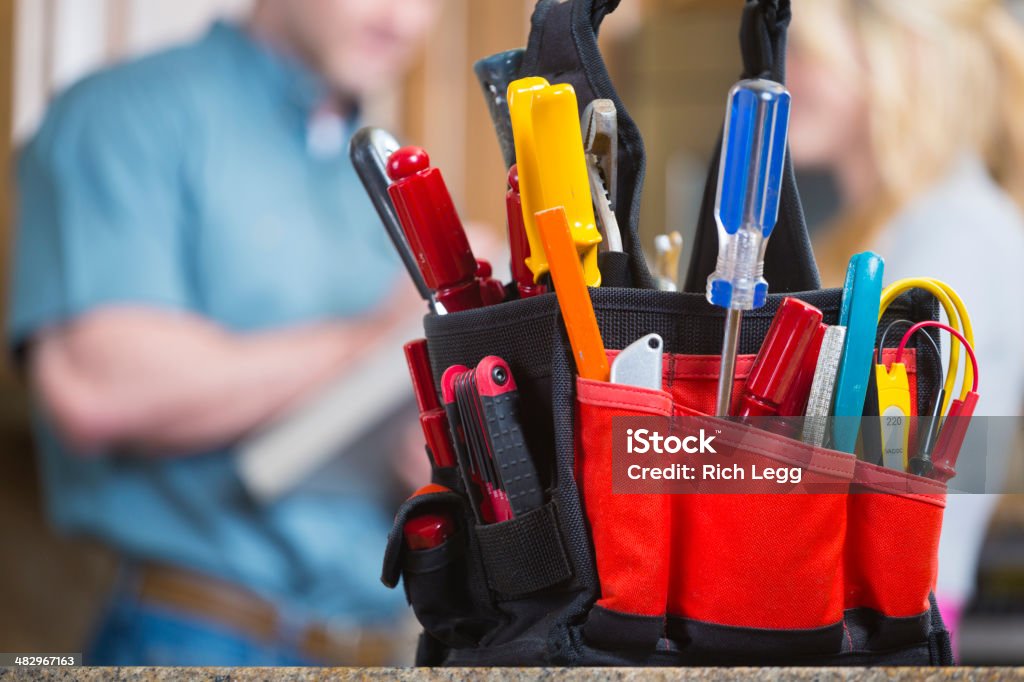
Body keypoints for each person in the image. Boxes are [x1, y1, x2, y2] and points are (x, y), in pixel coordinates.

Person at [8, 0, 443, 666]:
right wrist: (379, 336)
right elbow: (99, 386)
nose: (404, 20)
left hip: (380, 643)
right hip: (194, 637)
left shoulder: (384, 171)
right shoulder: (126, 115)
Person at [787, 0, 1024, 651]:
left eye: (807, 51)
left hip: (883, 627)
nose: (785, 73)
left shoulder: (959, 233)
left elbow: (892, 467)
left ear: (892, 59)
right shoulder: (883, 233)